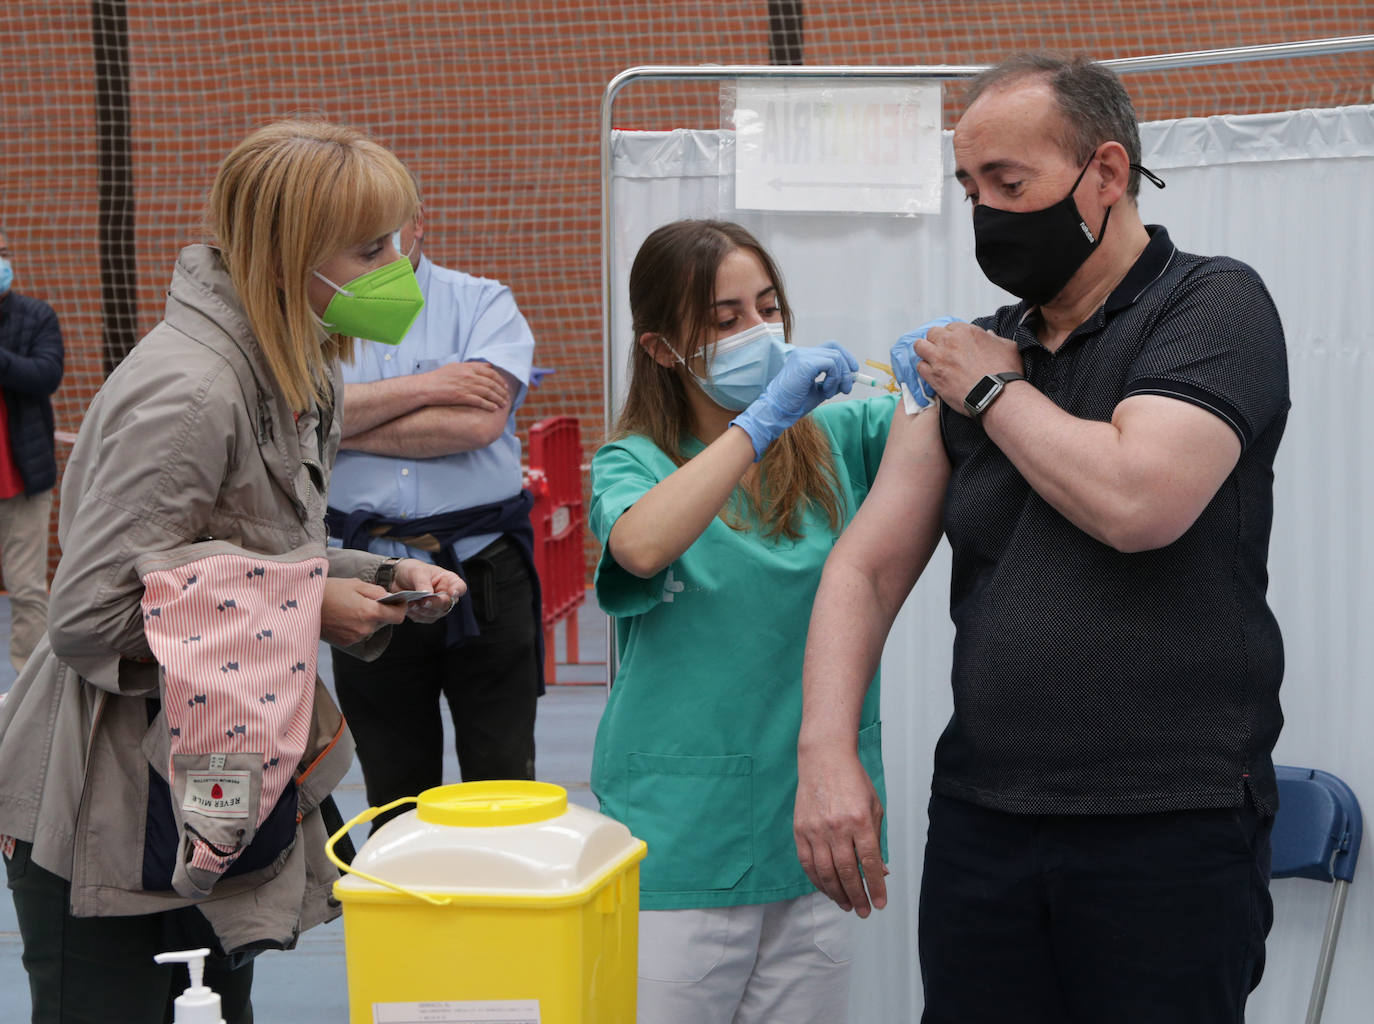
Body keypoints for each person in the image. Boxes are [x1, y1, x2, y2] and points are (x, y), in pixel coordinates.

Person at [794, 53, 1288, 1024]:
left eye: (1008, 184)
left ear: (1106, 175)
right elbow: (865, 564)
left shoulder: (1210, 306)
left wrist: (988, 391)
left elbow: (1140, 502)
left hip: (1167, 824)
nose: (984, 213)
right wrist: (825, 751)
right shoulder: (976, 349)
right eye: (970, 187)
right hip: (987, 818)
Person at [0, 120, 464, 1024]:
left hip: (213, 778)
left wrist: (369, 573)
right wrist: (304, 611)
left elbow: (246, 555)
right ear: (290, 255)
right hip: (107, 809)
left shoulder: (297, 373)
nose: (397, 267)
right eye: (372, 248)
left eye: (400, 240)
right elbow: (90, 617)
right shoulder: (193, 394)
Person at [591, 218, 902, 1023]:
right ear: (662, 349)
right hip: (684, 839)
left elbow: (937, 437)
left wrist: (938, 371)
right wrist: (759, 424)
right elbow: (642, 544)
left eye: (768, 308)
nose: (758, 333)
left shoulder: (838, 438)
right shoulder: (633, 464)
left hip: (818, 828)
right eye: (725, 320)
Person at [326, 203, 542, 832]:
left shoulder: (481, 303)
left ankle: (503, 920)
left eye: (386, 228)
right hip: (366, 574)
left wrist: (344, 421)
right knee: (392, 784)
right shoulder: (321, 315)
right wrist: (430, 386)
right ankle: (407, 925)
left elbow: (478, 421)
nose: (373, 246)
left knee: (503, 777)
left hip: (482, 566)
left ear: (419, 224)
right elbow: (296, 417)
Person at [0, 228, 64, 674]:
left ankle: (29, 685)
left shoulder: (36, 315)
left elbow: (45, 374)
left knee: (25, 588)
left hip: (21, 478)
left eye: (2, 251)